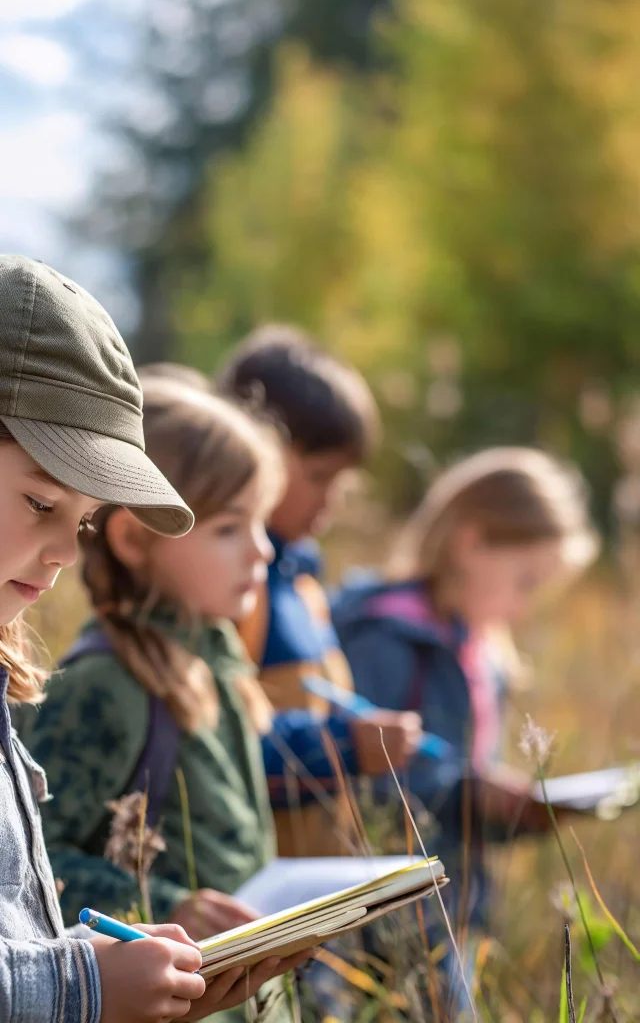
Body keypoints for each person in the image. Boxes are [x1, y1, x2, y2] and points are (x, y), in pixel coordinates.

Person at [24, 378, 415, 1021]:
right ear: (134, 540)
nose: (262, 550)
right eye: (231, 527)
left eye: (261, 523)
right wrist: (168, 903)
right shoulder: (105, 686)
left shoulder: (216, 668)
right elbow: (28, 873)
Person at [0, 255, 307, 1023]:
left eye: (79, 520)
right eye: (40, 501)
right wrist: (86, 987)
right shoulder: (103, 685)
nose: (67, 550)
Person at [332, 446, 599, 1011]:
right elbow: (358, 778)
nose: (526, 607)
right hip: (388, 915)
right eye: (525, 581)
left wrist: (517, 812)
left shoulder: (480, 651)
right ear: (471, 542)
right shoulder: (386, 639)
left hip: (458, 907)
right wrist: (469, 793)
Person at [217, 324, 420, 859]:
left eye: (344, 482)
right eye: (319, 475)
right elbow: (217, 749)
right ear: (252, 448)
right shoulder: (234, 590)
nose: (332, 500)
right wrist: (344, 747)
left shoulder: (305, 585)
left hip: (318, 890)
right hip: (260, 898)